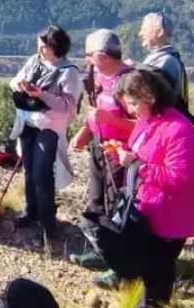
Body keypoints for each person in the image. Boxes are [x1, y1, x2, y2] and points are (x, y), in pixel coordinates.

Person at [90, 69, 194, 305]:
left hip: (169, 221)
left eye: (133, 103)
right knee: (145, 276)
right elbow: (143, 155)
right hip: (147, 211)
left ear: (149, 97)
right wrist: (123, 153)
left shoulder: (179, 130)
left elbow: (180, 178)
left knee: (156, 283)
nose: (130, 110)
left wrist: (138, 165)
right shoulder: (146, 122)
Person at [7, 26, 81, 237]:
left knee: (42, 173)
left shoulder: (69, 72)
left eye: (43, 47)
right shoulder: (34, 61)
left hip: (49, 127)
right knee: (29, 169)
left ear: (54, 48)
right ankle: (31, 212)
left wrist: (43, 96)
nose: (38, 51)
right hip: (28, 122)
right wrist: (20, 85)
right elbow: (15, 80)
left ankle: (48, 224)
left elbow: (68, 106)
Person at [70, 29, 135, 270]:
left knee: (114, 204)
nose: (86, 59)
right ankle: (99, 251)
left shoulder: (130, 83)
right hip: (100, 147)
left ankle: (118, 264)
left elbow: (146, 126)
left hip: (121, 155)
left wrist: (109, 119)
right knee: (97, 201)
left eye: (88, 54)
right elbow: (95, 113)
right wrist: (85, 133)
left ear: (103, 55)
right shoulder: (98, 77)